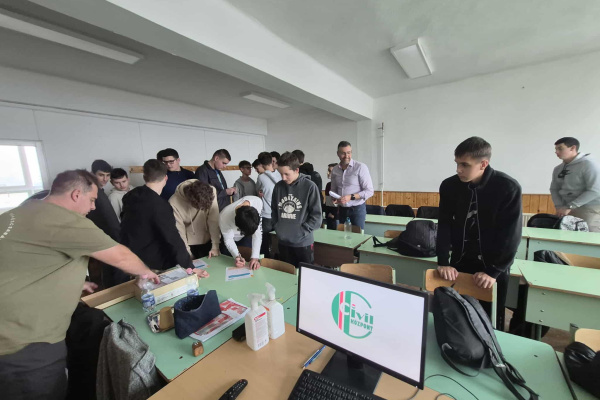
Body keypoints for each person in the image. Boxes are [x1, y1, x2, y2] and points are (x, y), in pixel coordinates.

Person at [0, 169, 160, 400]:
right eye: (92, 200)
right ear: (76, 194)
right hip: (25, 344)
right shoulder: (63, 220)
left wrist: (68, 283)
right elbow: (121, 257)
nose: (93, 207)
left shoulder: (20, 212)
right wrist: (147, 273)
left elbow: (24, 265)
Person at [437, 137, 522, 330]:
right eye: (457, 163)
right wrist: (443, 261)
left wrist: (494, 271)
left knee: (489, 322)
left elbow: (511, 235)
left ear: (483, 164)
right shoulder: (449, 186)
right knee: (456, 318)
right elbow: (444, 225)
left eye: (465, 165)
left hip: (492, 266)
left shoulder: (507, 187)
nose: (458, 169)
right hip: (459, 262)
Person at [121, 159, 195, 271]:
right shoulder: (160, 206)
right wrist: (189, 266)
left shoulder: (131, 196)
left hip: (130, 256)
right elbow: (172, 238)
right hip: (153, 263)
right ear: (166, 178)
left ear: (144, 177)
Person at [272, 152, 322, 267]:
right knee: (286, 274)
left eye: (287, 174)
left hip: (303, 243)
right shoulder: (278, 187)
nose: (283, 178)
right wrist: (277, 227)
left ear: (296, 170)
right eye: (280, 174)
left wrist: (301, 232)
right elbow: (274, 211)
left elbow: (317, 217)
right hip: (283, 242)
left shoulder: (310, 187)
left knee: (305, 275)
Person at [550, 137, 600, 232]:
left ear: (573, 148)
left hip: (589, 208)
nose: (556, 152)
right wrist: (559, 206)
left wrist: (570, 206)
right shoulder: (558, 169)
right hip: (566, 207)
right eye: (556, 149)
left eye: (560, 148)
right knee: (566, 235)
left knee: (588, 235)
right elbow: (554, 189)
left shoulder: (590, 165)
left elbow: (595, 190)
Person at [87, 159, 123, 288]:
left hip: (105, 240)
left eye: (107, 175)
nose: (105, 179)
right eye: (101, 175)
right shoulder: (95, 193)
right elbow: (110, 221)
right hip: (104, 241)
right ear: (93, 174)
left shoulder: (98, 191)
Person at [169, 179, 221, 259]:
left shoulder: (211, 191)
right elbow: (180, 231)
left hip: (209, 238)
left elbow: (213, 220)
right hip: (189, 243)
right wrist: (188, 253)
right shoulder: (173, 202)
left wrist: (215, 246)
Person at [330, 141, 374, 230]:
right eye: (343, 153)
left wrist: (351, 197)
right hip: (342, 210)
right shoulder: (335, 170)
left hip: (357, 210)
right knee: (342, 236)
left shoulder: (360, 167)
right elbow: (334, 190)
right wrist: (335, 198)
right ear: (338, 154)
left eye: (349, 153)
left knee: (358, 237)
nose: (346, 156)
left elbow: (369, 191)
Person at [219, 196, 263, 270]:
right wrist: (237, 256)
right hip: (231, 238)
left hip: (246, 237)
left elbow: (257, 234)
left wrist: (255, 257)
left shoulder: (257, 202)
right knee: (228, 264)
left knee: (250, 261)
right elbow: (229, 239)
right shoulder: (224, 217)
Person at [256, 151, 282, 257]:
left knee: (265, 240)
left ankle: (266, 259)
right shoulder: (280, 174)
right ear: (272, 161)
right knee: (278, 238)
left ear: (261, 164)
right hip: (279, 213)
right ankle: (278, 258)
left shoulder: (261, 177)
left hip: (266, 213)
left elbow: (258, 191)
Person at [324, 162, 339, 230]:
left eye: (330, 171)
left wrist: (335, 215)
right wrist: (328, 213)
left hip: (337, 217)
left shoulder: (340, 186)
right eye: (328, 171)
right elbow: (328, 202)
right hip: (329, 215)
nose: (328, 173)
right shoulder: (328, 185)